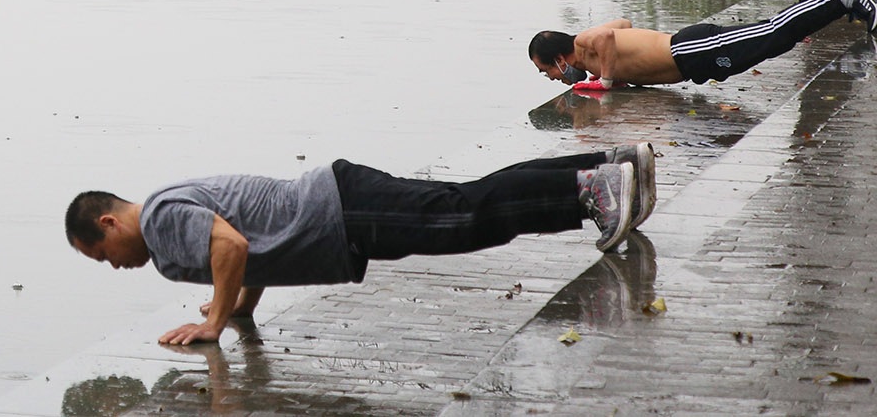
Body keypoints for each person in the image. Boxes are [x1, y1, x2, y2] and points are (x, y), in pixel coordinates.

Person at [66, 143, 655, 346]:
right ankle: (610, 167)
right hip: (339, 205)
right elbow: (251, 244)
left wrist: (216, 323)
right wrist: (241, 305)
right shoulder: (171, 204)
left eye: (101, 256)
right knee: (464, 201)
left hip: (341, 212)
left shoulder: (161, 216)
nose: (113, 266)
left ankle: (591, 189)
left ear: (110, 224)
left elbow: (231, 248)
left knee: (465, 217)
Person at [529, 0, 877, 90]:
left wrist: (605, 79)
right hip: (694, 63)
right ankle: (845, 3)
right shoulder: (590, 58)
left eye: (546, 70)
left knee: (773, 30)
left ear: (559, 59)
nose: (550, 78)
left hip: (692, 47)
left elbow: (610, 34)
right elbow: (623, 25)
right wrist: (609, 73)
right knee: (777, 40)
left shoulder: (585, 41)